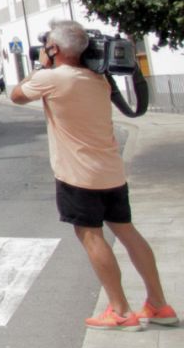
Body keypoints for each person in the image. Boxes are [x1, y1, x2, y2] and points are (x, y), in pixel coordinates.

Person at [11, 19, 176, 330]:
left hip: (77, 175)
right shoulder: (99, 80)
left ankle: (119, 310)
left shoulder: (52, 78)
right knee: (127, 232)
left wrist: (41, 66)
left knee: (91, 235)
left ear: (55, 49)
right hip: (111, 171)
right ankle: (158, 304)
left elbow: (17, 95)